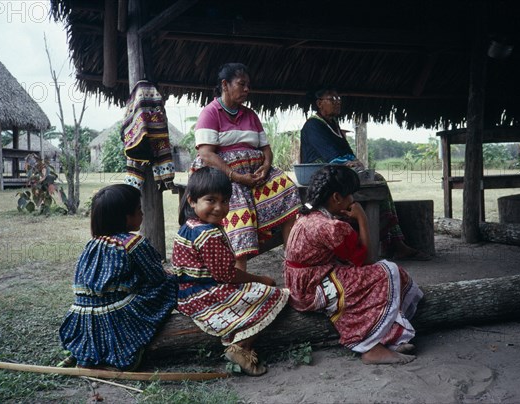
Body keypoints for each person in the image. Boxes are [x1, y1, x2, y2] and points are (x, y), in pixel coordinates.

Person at [284, 165, 423, 365]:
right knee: (386, 271)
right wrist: (362, 218)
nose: (353, 200)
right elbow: (367, 260)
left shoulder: (307, 215)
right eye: (350, 194)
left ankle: (388, 338)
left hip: (301, 285)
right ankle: (371, 347)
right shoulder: (331, 227)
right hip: (312, 290)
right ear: (336, 198)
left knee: (375, 277)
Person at [172, 167, 290, 376]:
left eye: (224, 201)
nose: (219, 208)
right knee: (275, 294)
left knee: (254, 288)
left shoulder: (189, 224)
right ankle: (241, 346)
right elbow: (226, 276)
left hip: (186, 293)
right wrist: (261, 279)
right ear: (192, 201)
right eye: (211, 200)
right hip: (203, 296)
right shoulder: (207, 234)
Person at [191, 63, 301, 271]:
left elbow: (266, 149)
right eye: (241, 84)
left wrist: (266, 166)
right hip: (222, 178)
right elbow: (206, 154)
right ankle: (239, 281)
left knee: (289, 192)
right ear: (225, 85)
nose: (247, 89)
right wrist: (235, 176)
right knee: (240, 213)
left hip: (254, 175)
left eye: (248, 85)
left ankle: (292, 263)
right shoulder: (210, 112)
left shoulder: (250, 115)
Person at [300, 87, 431, 261]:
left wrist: (354, 163)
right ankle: (391, 243)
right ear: (319, 103)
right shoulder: (313, 125)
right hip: (320, 175)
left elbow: (346, 154)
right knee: (374, 181)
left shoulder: (333, 126)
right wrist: (350, 164)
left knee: (378, 181)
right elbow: (330, 155)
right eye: (332, 98)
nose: (338, 101)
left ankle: (395, 242)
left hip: (334, 171)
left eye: (339, 97)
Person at [58, 184, 177, 370]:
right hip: (117, 315)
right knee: (171, 283)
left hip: (82, 317)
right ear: (125, 217)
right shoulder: (133, 243)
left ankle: (84, 355)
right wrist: (169, 275)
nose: (142, 214)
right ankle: (125, 354)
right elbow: (156, 278)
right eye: (139, 210)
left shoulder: (92, 244)